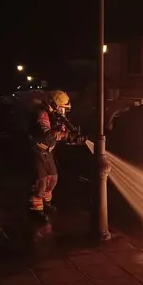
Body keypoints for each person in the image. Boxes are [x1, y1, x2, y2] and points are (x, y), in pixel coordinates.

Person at [28, 90, 87, 221]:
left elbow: (64, 133)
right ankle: (36, 209)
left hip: (48, 152)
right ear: (53, 105)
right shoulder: (42, 113)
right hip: (38, 151)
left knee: (53, 179)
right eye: (62, 109)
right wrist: (68, 137)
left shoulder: (58, 116)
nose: (63, 112)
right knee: (41, 182)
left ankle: (47, 204)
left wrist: (75, 137)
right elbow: (48, 135)